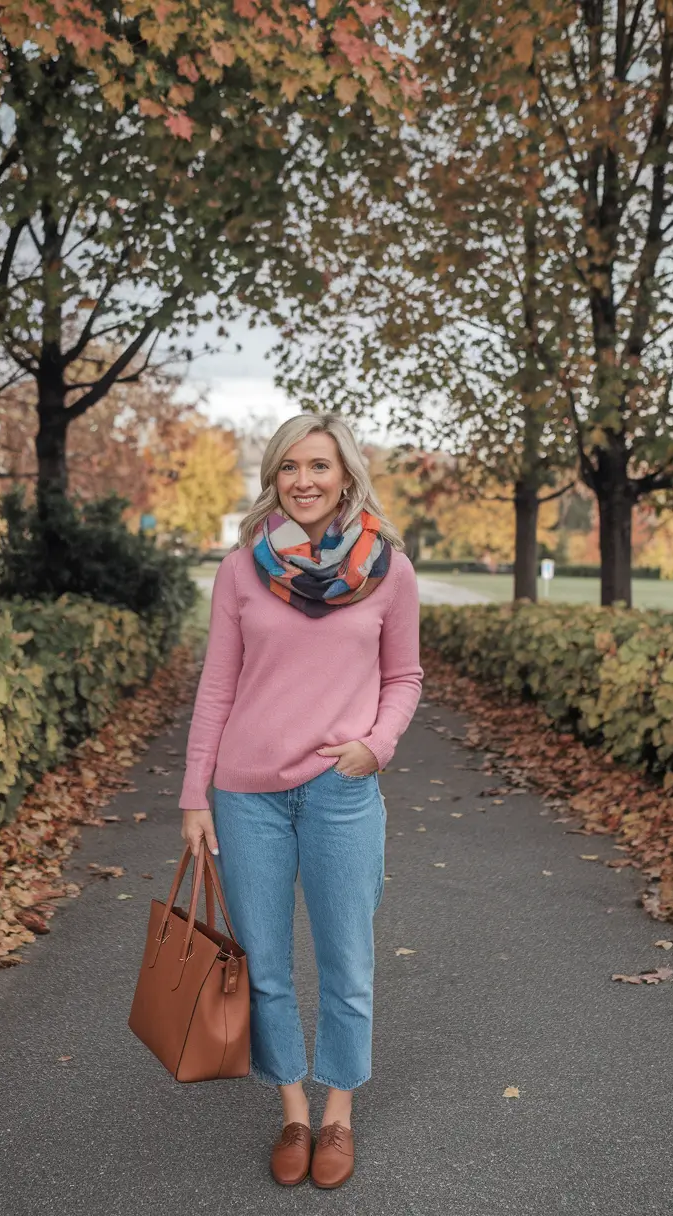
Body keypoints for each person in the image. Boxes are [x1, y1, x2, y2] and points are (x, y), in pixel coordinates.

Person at [178, 413, 423, 1189]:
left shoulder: (391, 570)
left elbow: (404, 679)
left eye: (318, 465)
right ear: (274, 479)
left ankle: (338, 1114)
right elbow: (217, 687)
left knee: (347, 963)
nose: (304, 479)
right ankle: (291, 1108)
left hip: (341, 792)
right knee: (266, 969)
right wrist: (195, 796)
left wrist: (374, 748)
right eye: (288, 466)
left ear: (345, 475)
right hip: (246, 796)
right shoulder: (240, 570)